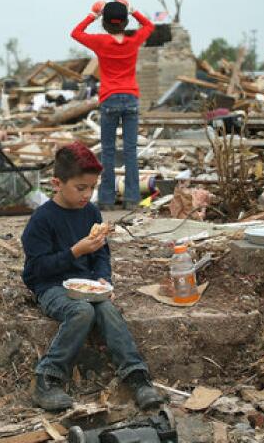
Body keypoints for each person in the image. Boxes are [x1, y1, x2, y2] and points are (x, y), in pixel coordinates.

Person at [21, 142, 163, 412]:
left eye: (92, 187)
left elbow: (100, 254)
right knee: (82, 312)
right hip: (50, 285)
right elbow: (36, 270)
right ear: (57, 183)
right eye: (80, 188)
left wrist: (102, 279)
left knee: (107, 309)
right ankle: (47, 378)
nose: (87, 194)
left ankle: (137, 376)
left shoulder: (91, 212)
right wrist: (75, 252)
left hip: (86, 284)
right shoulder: (42, 219)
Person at [71, 0, 154, 210]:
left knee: (107, 151)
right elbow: (149, 26)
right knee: (130, 151)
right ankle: (132, 199)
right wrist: (134, 10)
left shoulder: (100, 41)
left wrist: (93, 14)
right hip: (131, 98)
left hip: (109, 98)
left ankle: (106, 200)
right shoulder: (134, 38)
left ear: (105, 24)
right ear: (125, 23)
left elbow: (76, 33)